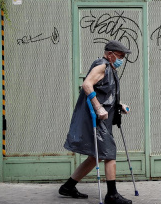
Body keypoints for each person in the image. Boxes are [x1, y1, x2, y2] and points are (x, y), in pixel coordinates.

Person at [59, 40, 132, 204]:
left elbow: (104, 93)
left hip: (103, 120)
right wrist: (99, 108)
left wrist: (119, 105)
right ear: (110, 54)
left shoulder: (110, 69)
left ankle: (68, 187)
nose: (122, 59)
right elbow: (87, 85)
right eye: (120, 56)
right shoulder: (102, 65)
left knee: (95, 156)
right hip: (96, 118)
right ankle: (111, 195)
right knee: (109, 153)